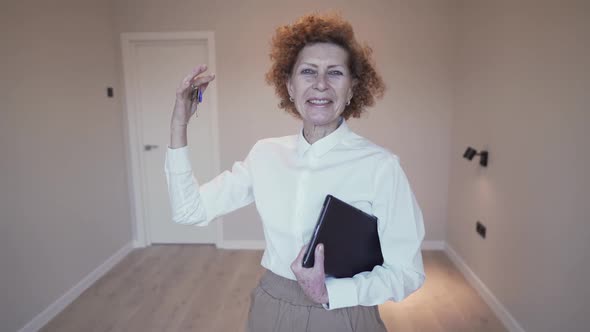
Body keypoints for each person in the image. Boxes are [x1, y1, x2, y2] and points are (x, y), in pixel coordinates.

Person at [165, 13, 425, 332]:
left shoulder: (381, 167)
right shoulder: (265, 154)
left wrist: (332, 291)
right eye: (307, 71)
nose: (320, 84)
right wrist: (179, 124)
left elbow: (408, 272)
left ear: (353, 87)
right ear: (289, 86)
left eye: (335, 72)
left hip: (345, 312)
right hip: (272, 306)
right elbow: (189, 211)